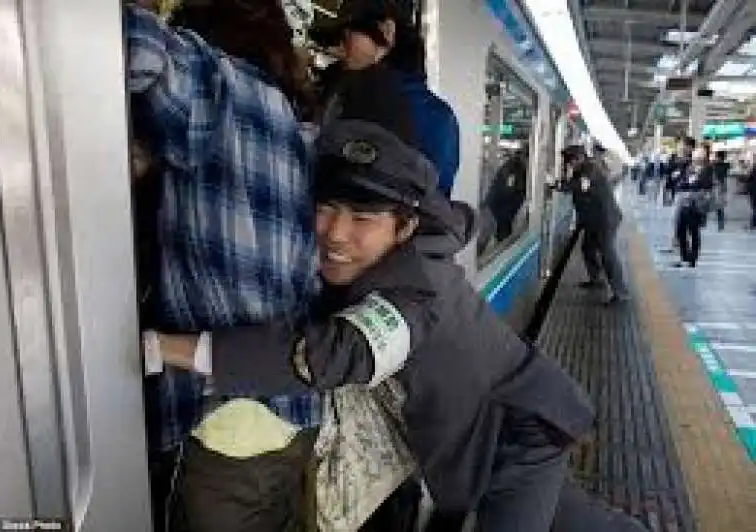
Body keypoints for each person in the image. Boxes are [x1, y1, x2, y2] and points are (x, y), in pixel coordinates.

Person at [157, 120, 647, 532]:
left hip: (518, 435)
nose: (335, 234)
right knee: (574, 519)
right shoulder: (415, 245)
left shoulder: (413, 295)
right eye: (325, 208)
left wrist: (164, 349)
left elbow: (333, 354)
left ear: (405, 227)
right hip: (508, 424)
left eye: (363, 218)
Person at [125, 2, 321, 530]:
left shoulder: (213, 87)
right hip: (295, 416)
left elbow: (124, 41)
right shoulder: (299, 129)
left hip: (223, 424)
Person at [311, 0, 460, 196]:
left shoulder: (362, 101)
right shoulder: (441, 115)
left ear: (387, 31)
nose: (339, 50)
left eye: (346, 38)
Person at [562, 145, 629, 304]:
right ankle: (596, 279)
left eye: (570, 162)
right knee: (587, 248)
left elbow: (579, 186)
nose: (569, 165)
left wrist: (557, 186)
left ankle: (620, 292)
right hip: (594, 220)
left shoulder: (590, 169)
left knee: (608, 254)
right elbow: (573, 183)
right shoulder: (582, 169)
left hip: (605, 220)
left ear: (579, 158)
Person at [672, 146, 714, 268]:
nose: (696, 158)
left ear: (704, 157)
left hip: (696, 204)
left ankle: (693, 258)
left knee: (694, 231)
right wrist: (686, 182)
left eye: (699, 156)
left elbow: (705, 184)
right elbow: (681, 183)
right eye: (695, 156)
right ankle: (684, 256)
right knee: (681, 230)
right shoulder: (689, 168)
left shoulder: (708, 169)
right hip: (684, 202)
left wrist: (692, 183)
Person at [712, 150, 730, 231]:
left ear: (719, 157)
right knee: (719, 205)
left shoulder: (715, 165)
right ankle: (720, 223)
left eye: (716, 156)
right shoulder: (726, 165)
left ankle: (721, 223)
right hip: (721, 186)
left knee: (719, 205)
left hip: (718, 186)